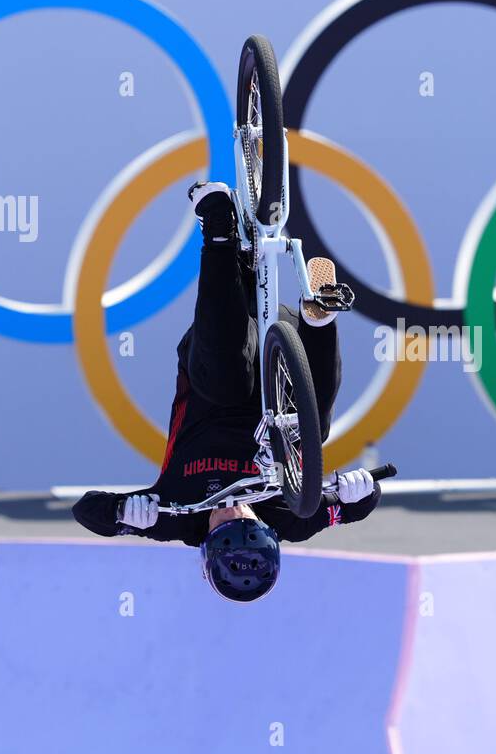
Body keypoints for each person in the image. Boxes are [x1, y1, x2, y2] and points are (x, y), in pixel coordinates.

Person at [72, 181, 382, 602]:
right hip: (287, 356)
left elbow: (86, 510)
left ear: (207, 541)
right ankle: (320, 318)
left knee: (228, 380)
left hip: (217, 353)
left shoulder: (175, 517)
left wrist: (122, 513)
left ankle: (217, 228)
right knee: (315, 431)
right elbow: (356, 506)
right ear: (266, 530)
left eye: (224, 523)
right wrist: (359, 490)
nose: (234, 509)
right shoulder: (294, 517)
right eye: (246, 520)